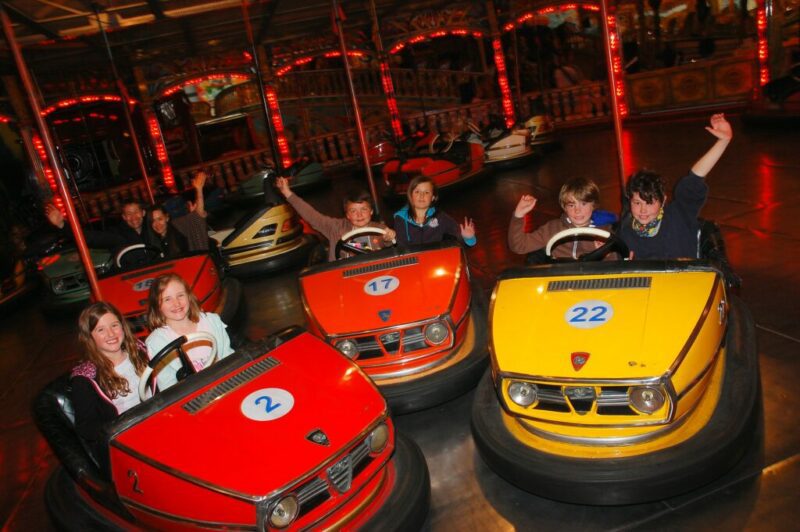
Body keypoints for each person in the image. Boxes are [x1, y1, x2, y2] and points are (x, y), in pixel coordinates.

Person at [619, 113, 732, 260]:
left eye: (650, 203)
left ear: (663, 200)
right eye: (637, 203)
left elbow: (695, 177)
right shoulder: (626, 232)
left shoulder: (679, 214)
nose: (642, 210)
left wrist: (723, 141)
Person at [70, 302, 149, 457]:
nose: (111, 334)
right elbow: (87, 427)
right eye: (101, 330)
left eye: (114, 325)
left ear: (123, 327)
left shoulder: (141, 351)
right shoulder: (85, 379)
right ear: (89, 337)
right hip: (126, 441)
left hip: (156, 422)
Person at [145, 273, 233, 390]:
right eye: (167, 299)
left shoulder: (212, 321)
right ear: (157, 306)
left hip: (226, 384)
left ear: (189, 296)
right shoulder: (156, 342)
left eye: (180, 295)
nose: (176, 303)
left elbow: (229, 358)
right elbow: (168, 386)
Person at [275, 176, 396, 261]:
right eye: (353, 211)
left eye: (363, 210)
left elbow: (390, 245)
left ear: (371, 211)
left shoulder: (380, 229)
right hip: (342, 277)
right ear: (347, 215)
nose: (359, 215)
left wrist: (389, 237)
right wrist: (287, 193)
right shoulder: (335, 227)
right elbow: (311, 215)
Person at [508, 177, 610, 260]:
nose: (577, 210)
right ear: (564, 207)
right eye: (571, 205)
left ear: (593, 205)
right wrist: (518, 215)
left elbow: (616, 265)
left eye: (583, 204)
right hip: (560, 279)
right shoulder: (552, 229)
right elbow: (519, 246)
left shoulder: (603, 231)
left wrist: (603, 252)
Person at [393, 176, 476, 247]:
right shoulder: (400, 219)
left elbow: (459, 238)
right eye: (417, 192)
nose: (421, 196)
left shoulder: (440, 217)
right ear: (411, 195)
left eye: (426, 192)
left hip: (434, 261)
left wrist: (468, 238)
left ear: (432, 197)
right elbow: (400, 248)